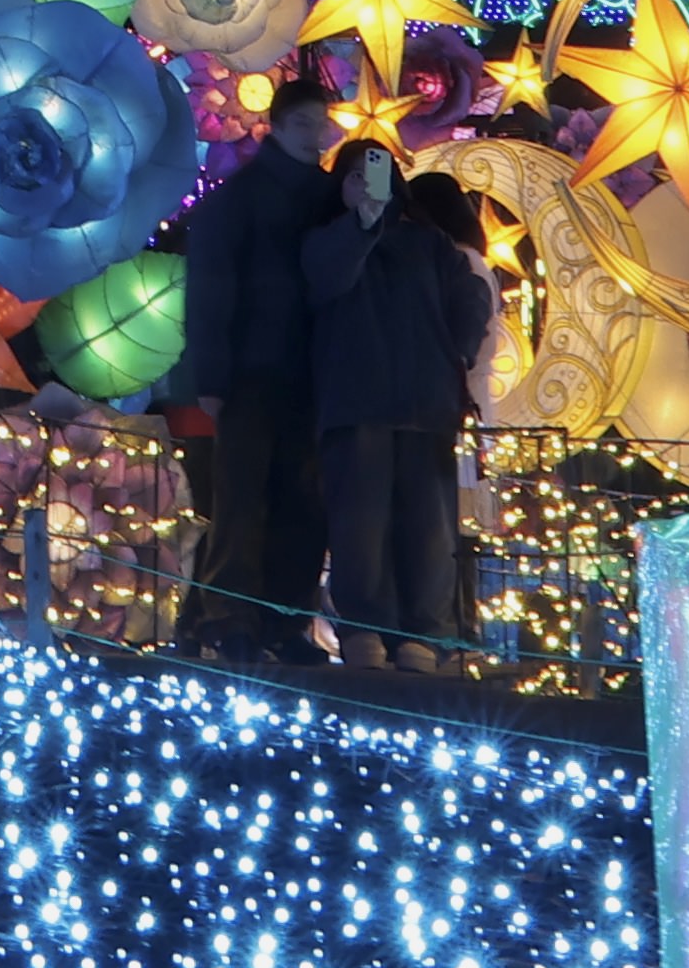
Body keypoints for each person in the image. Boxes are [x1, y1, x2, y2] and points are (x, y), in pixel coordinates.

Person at [158, 71, 346, 656]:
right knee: (242, 498)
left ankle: (282, 623)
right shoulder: (241, 198)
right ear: (278, 127)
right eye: (303, 123)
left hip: (311, 372)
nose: (314, 135)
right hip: (250, 372)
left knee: (302, 503)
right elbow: (211, 289)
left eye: (321, 124)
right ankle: (230, 618)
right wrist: (212, 375)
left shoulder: (330, 197)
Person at [305, 144, 494, 671]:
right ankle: (367, 629)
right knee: (361, 526)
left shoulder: (430, 243)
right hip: (358, 401)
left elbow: (470, 296)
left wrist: (458, 348)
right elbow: (326, 280)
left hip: (424, 403)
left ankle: (423, 635)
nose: (370, 184)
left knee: (428, 527)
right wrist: (359, 225)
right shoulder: (326, 239)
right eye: (356, 175)